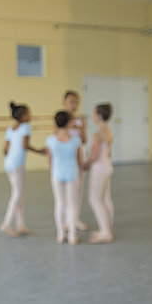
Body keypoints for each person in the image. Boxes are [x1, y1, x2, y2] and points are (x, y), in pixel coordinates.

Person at [0, 102, 45, 237]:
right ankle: (6, 223)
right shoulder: (26, 127)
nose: (30, 115)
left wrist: (10, 159)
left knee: (20, 193)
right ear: (23, 116)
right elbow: (25, 145)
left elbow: (4, 148)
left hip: (8, 163)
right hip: (17, 164)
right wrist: (40, 151)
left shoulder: (11, 128)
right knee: (17, 194)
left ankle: (20, 224)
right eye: (28, 113)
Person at [45, 111, 83, 245]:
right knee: (72, 205)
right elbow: (79, 161)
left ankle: (60, 234)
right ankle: (73, 236)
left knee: (59, 204)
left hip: (57, 174)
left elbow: (49, 160)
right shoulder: (76, 140)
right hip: (72, 174)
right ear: (69, 123)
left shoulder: (50, 140)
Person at [83, 103, 114, 244]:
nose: (93, 116)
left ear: (99, 116)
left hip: (99, 168)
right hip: (107, 165)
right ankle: (106, 228)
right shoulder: (108, 131)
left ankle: (106, 232)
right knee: (105, 199)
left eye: (94, 113)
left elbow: (94, 156)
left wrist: (85, 165)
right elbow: (109, 152)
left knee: (94, 199)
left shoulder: (97, 134)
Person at [63, 90, 88, 231]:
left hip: (79, 154)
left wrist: (79, 127)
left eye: (76, 102)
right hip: (66, 156)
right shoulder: (60, 118)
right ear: (64, 102)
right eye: (71, 101)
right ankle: (66, 220)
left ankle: (75, 219)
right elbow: (56, 137)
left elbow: (84, 140)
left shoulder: (80, 120)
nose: (74, 105)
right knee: (66, 189)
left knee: (78, 188)